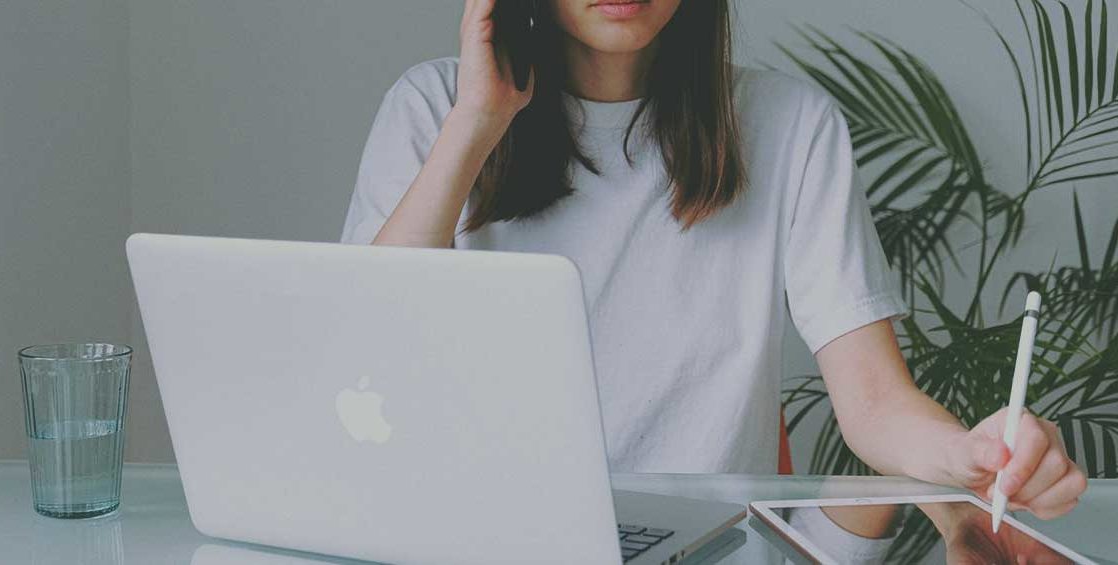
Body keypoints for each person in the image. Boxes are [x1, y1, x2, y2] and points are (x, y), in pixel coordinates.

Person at [340, 0, 1086, 520]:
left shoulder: (792, 127)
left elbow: (875, 404)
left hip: (709, 547)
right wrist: (478, 120)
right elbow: (367, 356)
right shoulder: (433, 106)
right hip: (476, 540)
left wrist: (972, 453)